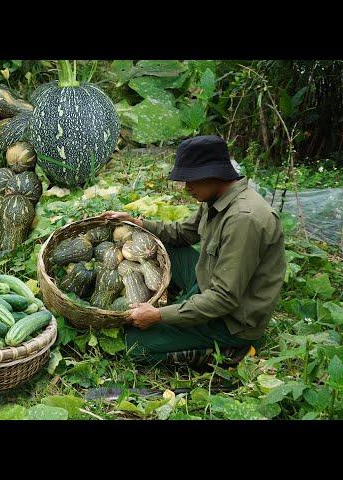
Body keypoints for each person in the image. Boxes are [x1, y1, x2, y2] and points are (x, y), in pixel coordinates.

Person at [102, 135, 286, 364]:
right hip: (209, 283)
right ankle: (188, 304)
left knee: (134, 345)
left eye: (191, 179)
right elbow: (181, 233)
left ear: (214, 174)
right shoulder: (217, 198)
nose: (186, 188)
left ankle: (229, 352)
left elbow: (224, 299)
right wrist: (139, 224)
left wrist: (159, 316)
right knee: (162, 246)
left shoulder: (243, 220)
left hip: (232, 321)